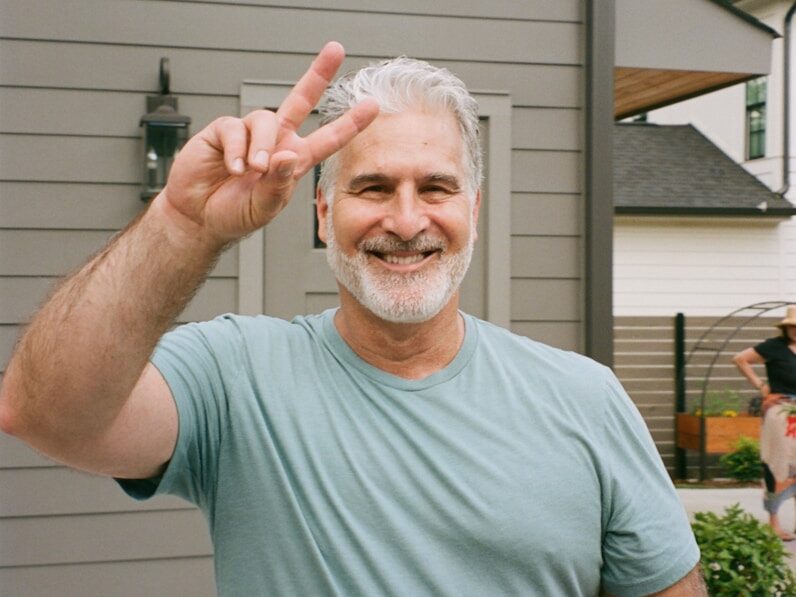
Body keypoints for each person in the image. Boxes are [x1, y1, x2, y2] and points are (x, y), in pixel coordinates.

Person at [0, 42, 705, 596]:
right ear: (322, 213)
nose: (406, 220)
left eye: (436, 187)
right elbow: (44, 411)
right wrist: (182, 226)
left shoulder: (585, 398)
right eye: (372, 187)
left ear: (474, 211)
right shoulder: (235, 376)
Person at [734, 306, 796, 540]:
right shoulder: (774, 347)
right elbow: (740, 359)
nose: (795, 330)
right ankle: (774, 522)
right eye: (791, 326)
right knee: (777, 462)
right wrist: (762, 387)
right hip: (780, 410)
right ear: (785, 328)